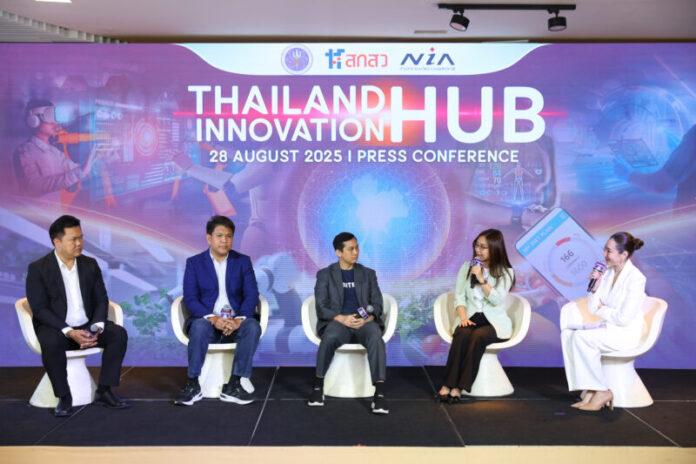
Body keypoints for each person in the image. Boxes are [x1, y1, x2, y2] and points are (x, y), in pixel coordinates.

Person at [25, 215, 129, 417]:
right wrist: (69, 331)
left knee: (118, 334)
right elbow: (40, 309)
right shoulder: (38, 268)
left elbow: (101, 299)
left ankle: (104, 390)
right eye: (73, 239)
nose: (79, 243)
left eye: (81, 237)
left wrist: (96, 327)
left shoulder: (90, 264)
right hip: (58, 329)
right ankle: (64, 397)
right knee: (50, 341)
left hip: (88, 326)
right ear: (57, 242)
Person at [174, 215, 261, 406]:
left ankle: (234, 385)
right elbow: (190, 298)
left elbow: (251, 295)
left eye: (229, 236)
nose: (224, 240)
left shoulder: (242, 261)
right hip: (207, 321)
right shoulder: (195, 263)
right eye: (219, 236)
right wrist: (213, 319)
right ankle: (193, 385)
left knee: (252, 326)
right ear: (209, 238)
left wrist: (238, 320)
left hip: (235, 321)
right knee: (199, 327)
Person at [560, 232, 647, 411]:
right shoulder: (606, 273)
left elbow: (624, 318)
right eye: (604, 250)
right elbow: (593, 308)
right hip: (609, 327)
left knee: (582, 338)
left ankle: (601, 391)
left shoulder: (636, 279)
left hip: (626, 333)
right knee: (568, 335)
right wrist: (594, 287)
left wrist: (602, 309)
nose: (604, 254)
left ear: (623, 255)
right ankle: (591, 389)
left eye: (609, 251)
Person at [308, 232, 388, 415]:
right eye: (351, 249)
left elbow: (377, 303)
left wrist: (368, 318)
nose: (356, 252)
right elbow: (321, 306)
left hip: (363, 322)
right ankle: (318, 387)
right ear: (339, 252)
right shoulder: (325, 274)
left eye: (357, 247)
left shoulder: (368, 274)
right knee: (330, 337)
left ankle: (380, 394)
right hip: (339, 321)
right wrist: (342, 318)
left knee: (376, 337)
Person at [438, 229, 515, 403]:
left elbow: (496, 299)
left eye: (483, 247)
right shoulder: (467, 267)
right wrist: (463, 317)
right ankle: (447, 384)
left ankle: (459, 387)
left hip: (493, 322)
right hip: (471, 316)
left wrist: (481, 278)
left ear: (495, 249)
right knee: (462, 333)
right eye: (477, 245)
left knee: (478, 336)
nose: (478, 250)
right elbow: (459, 296)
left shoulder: (506, 272)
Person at [13, 100, 97, 198]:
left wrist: (97, 158)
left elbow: (78, 169)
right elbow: (33, 187)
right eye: (49, 117)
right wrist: (80, 172)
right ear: (34, 121)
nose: (54, 123)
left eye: (54, 117)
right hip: (33, 208)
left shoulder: (54, 151)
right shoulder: (25, 151)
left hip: (54, 207)